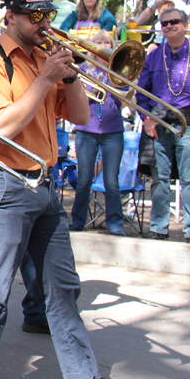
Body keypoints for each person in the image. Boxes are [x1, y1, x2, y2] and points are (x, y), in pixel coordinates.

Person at [0, 0, 142, 379]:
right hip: (3, 182)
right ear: (12, 15)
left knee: (62, 290)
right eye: (36, 15)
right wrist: (43, 78)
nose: (45, 23)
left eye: (49, 15)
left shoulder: (45, 58)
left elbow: (78, 116)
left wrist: (73, 75)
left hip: (42, 184)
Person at [136, 7, 190, 245]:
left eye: (174, 22)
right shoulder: (154, 55)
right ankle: (159, 227)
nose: (169, 26)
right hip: (159, 121)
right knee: (160, 179)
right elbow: (141, 92)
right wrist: (146, 119)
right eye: (164, 23)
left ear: (185, 25)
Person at [68, 30, 126, 236]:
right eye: (98, 43)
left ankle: (115, 224)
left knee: (111, 181)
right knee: (84, 179)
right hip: (87, 130)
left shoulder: (119, 71)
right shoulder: (82, 69)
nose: (102, 46)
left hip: (113, 130)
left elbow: (126, 98)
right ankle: (77, 222)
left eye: (106, 43)